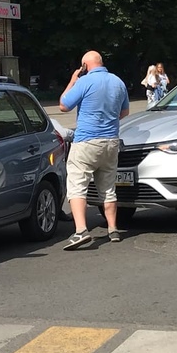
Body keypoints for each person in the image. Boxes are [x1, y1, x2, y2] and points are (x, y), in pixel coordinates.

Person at [59, 50, 129, 250]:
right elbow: (124, 112)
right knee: (108, 187)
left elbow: (63, 105)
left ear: (84, 66)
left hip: (86, 141)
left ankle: (81, 231)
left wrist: (73, 79)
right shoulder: (118, 82)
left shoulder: (84, 81)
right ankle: (113, 229)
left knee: (77, 185)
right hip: (110, 141)